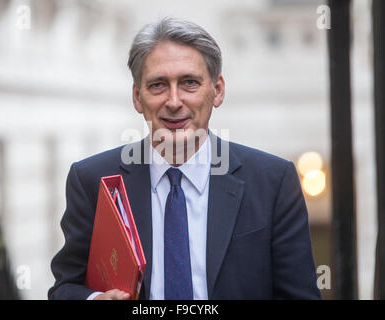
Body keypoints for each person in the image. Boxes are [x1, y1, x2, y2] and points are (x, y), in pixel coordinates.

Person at [48, 17, 321, 300]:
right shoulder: (93, 181)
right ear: (137, 97)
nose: (174, 101)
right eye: (158, 85)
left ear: (217, 90)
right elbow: (64, 288)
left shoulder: (273, 182)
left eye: (189, 83)